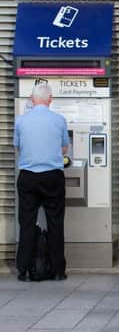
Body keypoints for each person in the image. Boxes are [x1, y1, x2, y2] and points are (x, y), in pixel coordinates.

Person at [14, 84, 69, 281]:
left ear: (31, 99)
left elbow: (19, 146)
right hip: (52, 175)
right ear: (50, 99)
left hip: (28, 176)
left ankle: (24, 270)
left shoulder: (21, 121)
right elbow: (64, 148)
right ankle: (57, 270)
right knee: (55, 222)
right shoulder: (59, 120)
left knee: (27, 222)